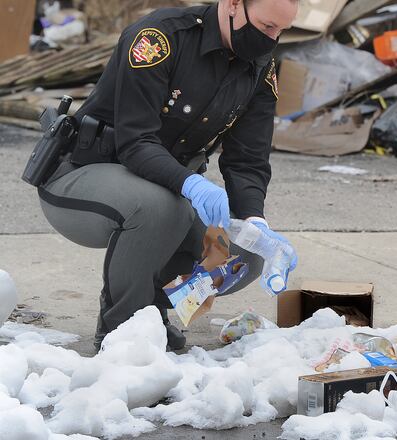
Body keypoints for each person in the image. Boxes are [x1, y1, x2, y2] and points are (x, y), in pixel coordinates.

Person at [34, 0, 299, 351]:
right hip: (80, 179)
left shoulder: (259, 67)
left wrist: (255, 220)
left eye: (282, 30)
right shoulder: (160, 38)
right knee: (161, 207)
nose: (273, 39)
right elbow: (135, 142)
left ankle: (155, 305)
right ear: (234, 4)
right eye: (267, 27)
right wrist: (191, 184)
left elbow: (247, 160)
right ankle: (123, 331)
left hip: (167, 190)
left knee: (245, 255)